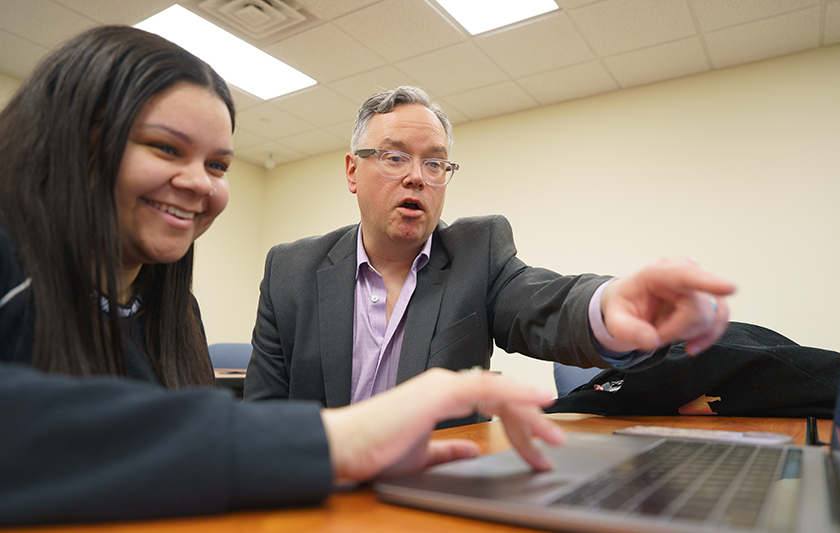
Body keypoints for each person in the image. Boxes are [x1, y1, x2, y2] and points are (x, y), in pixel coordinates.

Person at [0, 26, 565, 525]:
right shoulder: (12, 263)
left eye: (218, 164)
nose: (201, 183)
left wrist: (607, 306)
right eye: (166, 148)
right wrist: (337, 442)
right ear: (75, 142)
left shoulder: (170, 307)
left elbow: (172, 455)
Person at [244, 86, 736, 426]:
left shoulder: (476, 255)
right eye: (395, 157)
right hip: (314, 493)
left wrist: (610, 304)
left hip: (434, 493)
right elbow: (260, 419)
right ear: (353, 171)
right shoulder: (289, 271)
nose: (417, 176)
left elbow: (542, 303)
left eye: (434, 162)